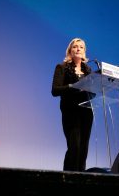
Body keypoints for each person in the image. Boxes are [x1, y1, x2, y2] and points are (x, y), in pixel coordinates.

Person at [51, 38, 94, 172]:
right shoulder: (62, 68)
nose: (78, 49)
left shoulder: (88, 70)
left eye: (81, 47)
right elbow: (55, 90)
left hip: (87, 113)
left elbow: (93, 93)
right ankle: (68, 178)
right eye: (75, 47)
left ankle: (81, 178)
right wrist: (73, 87)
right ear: (70, 51)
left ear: (84, 51)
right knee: (74, 147)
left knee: (83, 149)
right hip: (71, 112)